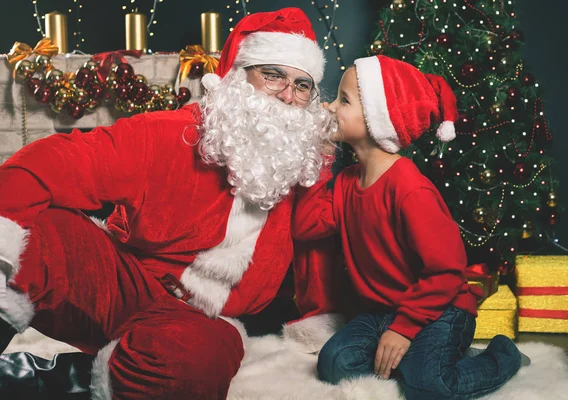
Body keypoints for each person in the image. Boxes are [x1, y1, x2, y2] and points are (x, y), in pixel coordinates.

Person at [0, 7, 336, 399]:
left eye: (302, 85)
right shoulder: (174, 135)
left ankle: (75, 377)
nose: (287, 96)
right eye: (273, 75)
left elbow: (323, 239)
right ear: (239, 78)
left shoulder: (303, 166)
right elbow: (55, 160)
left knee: (195, 368)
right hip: (125, 283)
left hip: (201, 320)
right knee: (30, 234)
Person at [292, 55, 527, 400]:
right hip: (381, 311)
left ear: (377, 119)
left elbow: (446, 271)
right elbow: (306, 227)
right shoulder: (346, 181)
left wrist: (404, 330)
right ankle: (427, 356)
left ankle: (502, 355)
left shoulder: (409, 188)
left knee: (427, 385)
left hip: (441, 309)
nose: (328, 106)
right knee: (334, 365)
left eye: (344, 100)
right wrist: (321, 157)